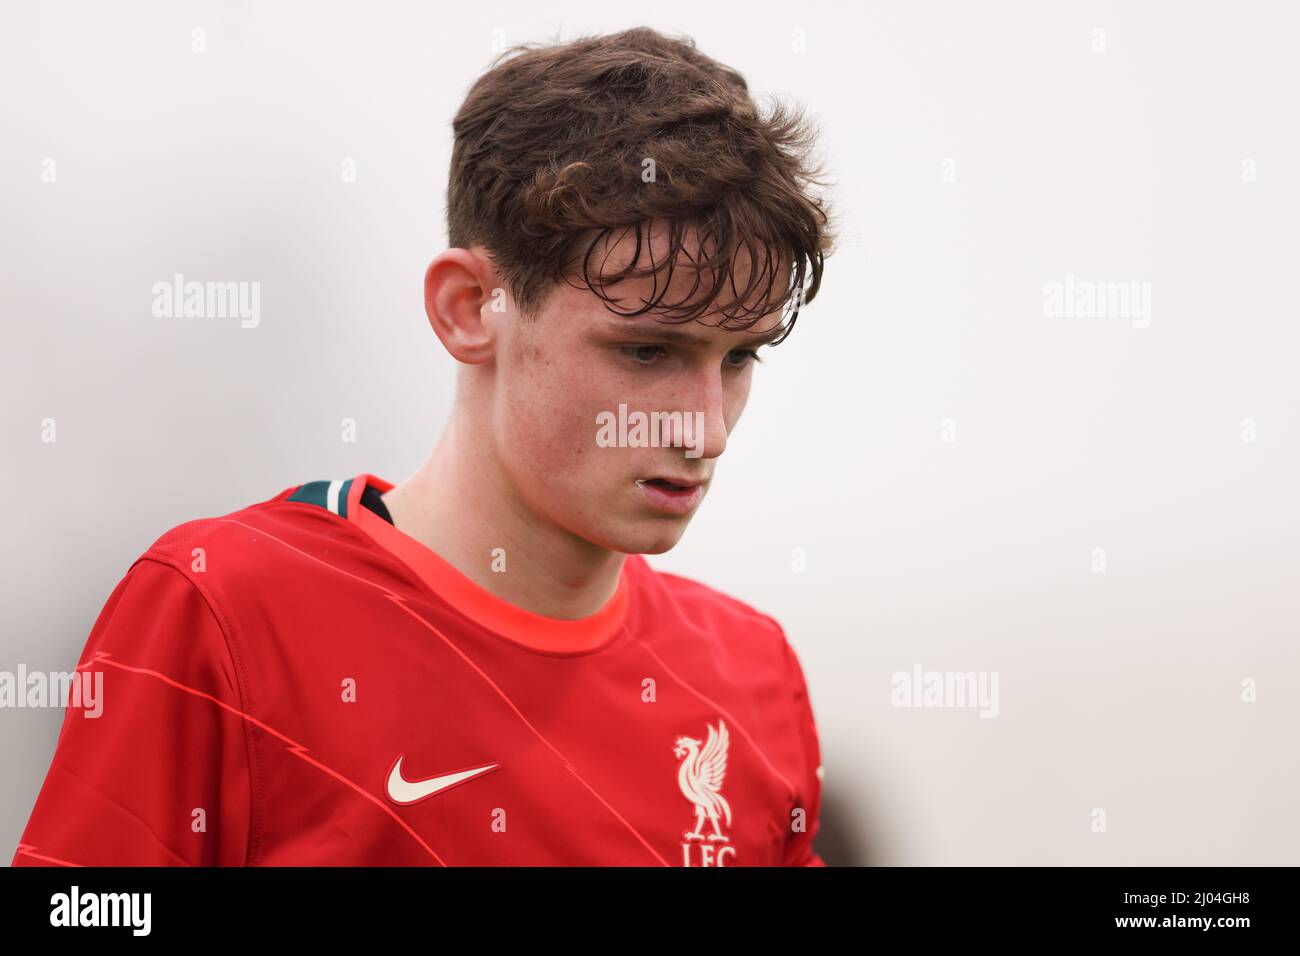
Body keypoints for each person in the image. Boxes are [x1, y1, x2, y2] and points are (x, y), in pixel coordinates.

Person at [12, 25, 835, 867]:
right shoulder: (223, 612)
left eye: (738, 358)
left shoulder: (751, 677)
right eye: (646, 351)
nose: (704, 429)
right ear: (471, 307)